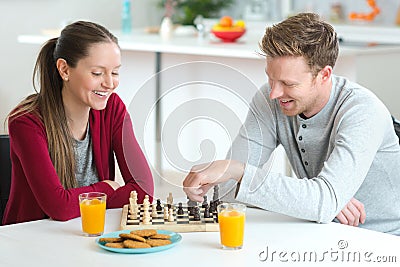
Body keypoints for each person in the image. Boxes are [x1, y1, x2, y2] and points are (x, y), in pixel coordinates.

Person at [183, 13, 400, 235]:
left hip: (383, 238)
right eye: (271, 78)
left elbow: (322, 203)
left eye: (289, 84)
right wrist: (319, 200)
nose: (274, 93)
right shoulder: (270, 100)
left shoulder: (362, 111)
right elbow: (226, 191)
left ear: (324, 75)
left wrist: (323, 200)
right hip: (322, 230)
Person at [3, 21, 154, 225]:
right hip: (33, 240)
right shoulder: (26, 122)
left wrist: (77, 200)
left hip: (87, 233)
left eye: (115, 72)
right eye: (97, 73)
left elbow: (144, 191)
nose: (110, 84)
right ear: (64, 70)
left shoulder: (112, 108)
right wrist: (107, 188)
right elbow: (59, 207)